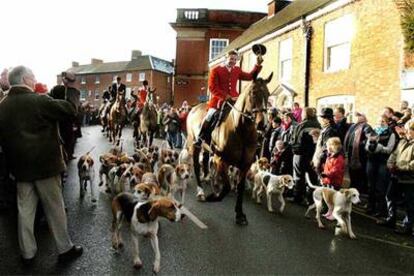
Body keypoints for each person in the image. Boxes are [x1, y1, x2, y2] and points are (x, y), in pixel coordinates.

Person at [0, 66, 83, 264]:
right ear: (26, 79)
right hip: (46, 167)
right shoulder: (40, 100)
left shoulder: (2, 106)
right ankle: (65, 249)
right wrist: (71, 87)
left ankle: (27, 253)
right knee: (55, 209)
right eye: (33, 77)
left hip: (20, 169)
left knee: (25, 212)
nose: (35, 80)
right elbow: (71, 110)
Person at [193, 50, 263, 147]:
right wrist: (226, 97)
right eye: (231, 59)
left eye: (235, 59)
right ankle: (200, 137)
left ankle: (252, 139)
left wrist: (257, 65)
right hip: (219, 100)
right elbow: (212, 88)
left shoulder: (237, 70)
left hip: (235, 100)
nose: (233, 61)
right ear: (226, 59)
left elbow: (250, 76)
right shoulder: (216, 70)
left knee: (246, 115)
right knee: (210, 115)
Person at [386, 121, 414, 235]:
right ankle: (391, 219)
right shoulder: (403, 141)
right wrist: (390, 163)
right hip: (396, 175)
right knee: (390, 195)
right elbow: (394, 154)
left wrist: (400, 166)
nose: (405, 131)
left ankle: (407, 226)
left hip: (409, 178)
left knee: (409, 203)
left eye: (409, 130)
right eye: (406, 129)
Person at [365, 115, 396, 217]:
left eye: (383, 121)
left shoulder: (391, 134)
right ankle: (370, 206)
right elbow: (366, 147)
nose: (381, 123)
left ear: (387, 122)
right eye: (379, 121)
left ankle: (380, 209)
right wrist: (370, 146)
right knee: (370, 186)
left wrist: (379, 147)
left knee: (380, 187)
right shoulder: (372, 132)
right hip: (371, 161)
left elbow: (389, 149)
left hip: (382, 161)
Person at [290, 107, 321, 204]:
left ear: (305, 114)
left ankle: (298, 197)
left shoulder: (301, 126)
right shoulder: (319, 125)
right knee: (313, 177)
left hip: (301, 155)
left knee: (299, 177)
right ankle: (311, 199)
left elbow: (295, 142)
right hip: (314, 155)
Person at [50, 71, 81, 160]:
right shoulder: (56, 89)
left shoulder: (74, 91)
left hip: (69, 120)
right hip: (60, 120)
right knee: (62, 141)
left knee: (70, 141)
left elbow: (75, 108)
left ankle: (69, 155)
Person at [344, 112, 373, 194]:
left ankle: (360, 193)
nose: (357, 117)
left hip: (360, 154)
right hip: (350, 153)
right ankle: (353, 190)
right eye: (356, 116)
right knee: (352, 173)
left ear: (364, 117)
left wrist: (361, 143)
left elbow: (371, 137)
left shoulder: (366, 126)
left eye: (359, 115)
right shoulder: (353, 126)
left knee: (360, 174)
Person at [312, 107, 338, 174]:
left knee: (324, 181)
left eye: (322, 118)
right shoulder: (327, 128)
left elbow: (327, 148)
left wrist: (319, 162)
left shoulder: (330, 130)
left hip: (326, 161)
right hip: (323, 159)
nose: (321, 120)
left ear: (327, 119)